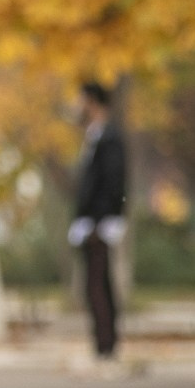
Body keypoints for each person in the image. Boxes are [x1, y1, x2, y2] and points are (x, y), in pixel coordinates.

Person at [68, 81, 128, 360]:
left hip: (99, 225)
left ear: (93, 102)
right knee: (97, 284)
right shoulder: (95, 136)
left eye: (81, 101)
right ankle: (104, 342)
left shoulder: (110, 138)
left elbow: (114, 183)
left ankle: (106, 343)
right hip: (91, 223)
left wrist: (104, 220)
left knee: (98, 286)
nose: (78, 107)